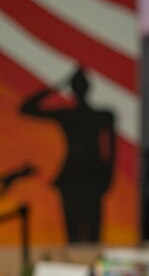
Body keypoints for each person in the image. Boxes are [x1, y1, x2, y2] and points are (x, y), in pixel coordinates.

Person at [20, 65, 115, 243]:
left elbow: (110, 150)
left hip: (88, 175)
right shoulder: (87, 116)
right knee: (78, 232)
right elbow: (25, 109)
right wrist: (58, 86)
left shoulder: (99, 115)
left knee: (87, 232)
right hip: (79, 175)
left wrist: (58, 87)